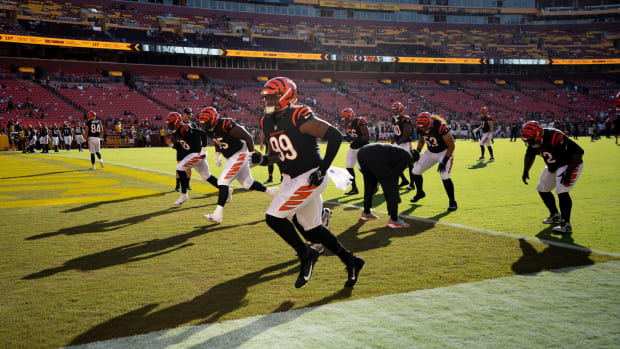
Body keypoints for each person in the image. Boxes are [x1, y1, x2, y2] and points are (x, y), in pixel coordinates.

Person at [254, 77, 365, 289]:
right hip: (289, 179)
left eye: (273, 96)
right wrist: (261, 160)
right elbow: (276, 154)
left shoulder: (298, 115)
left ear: (287, 96)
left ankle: (306, 254)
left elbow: (334, 136)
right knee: (312, 229)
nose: (267, 100)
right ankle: (352, 261)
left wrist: (323, 169)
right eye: (266, 97)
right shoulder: (266, 121)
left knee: (273, 217)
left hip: (310, 176)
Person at [199, 106, 278, 224]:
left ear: (214, 119)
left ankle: (217, 215)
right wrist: (217, 154)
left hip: (239, 153)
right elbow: (217, 140)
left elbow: (248, 137)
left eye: (206, 123)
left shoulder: (226, 124)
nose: (204, 125)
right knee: (247, 184)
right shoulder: (210, 129)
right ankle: (271, 192)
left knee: (222, 182)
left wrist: (251, 153)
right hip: (231, 157)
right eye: (203, 123)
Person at [521, 121, 584, 234]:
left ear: (538, 135)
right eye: (527, 140)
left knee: (562, 191)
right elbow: (530, 155)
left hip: (570, 163)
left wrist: (569, 171)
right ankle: (555, 215)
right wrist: (526, 170)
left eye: (530, 139)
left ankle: (566, 224)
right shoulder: (534, 141)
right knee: (542, 188)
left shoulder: (554, 136)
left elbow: (578, 152)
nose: (529, 142)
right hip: (553, 165)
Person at [165, 112, 222, 205]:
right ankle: (225, 189)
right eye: (168, 124)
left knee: (179, 167)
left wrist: (203, 148)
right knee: (206, 176)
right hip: (193, 155)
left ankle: (184, 195)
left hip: (197, 154)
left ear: (176, 122)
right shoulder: (176, 131)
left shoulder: (185, 128)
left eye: (170, 123)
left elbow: (203, 134)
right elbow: (180, 147)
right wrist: (171, 144)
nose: (169, 126)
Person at [357, 143, 417, 228]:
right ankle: (394, 219)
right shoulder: (407, 157)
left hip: (362, 152)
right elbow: (393, 176)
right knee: (390, 186)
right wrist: (396, 195)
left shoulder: (399, 152)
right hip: (375, 155)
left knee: (369, 185)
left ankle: (366, 212)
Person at [410, 112, 457, 211]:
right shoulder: (420, 127)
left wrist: (444, 160)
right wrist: (418, 151)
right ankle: (420, 192)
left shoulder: (440, 127)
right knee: (415, 171)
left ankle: (452, 201)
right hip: (430, 152)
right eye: (421, 127)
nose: (423, 129)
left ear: (430, 122)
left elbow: (451, 146)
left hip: (444, 152)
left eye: (425, 126)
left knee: (444, 174)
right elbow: (422, 140)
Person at [341, 107, 370, 195]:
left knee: (362, 168)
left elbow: (366, 137)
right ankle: (354, 188)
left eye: (346, 118)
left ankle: (374, 182)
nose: (345, 120)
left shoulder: (359, 121)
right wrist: (347, 138)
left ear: (351, 116)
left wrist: (353, 138)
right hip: (353, 147)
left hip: (363, 147)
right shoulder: (347, 125)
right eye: (344, 118)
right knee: (348, 166)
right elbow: (350, 137)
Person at [390, 102, 415, 189]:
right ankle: (404, 180)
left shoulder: (405, 119)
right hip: (398, 143)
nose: (394, 111)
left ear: (400, 110)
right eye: (393, 109)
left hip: (405, 144)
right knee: (394, 163)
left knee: (410, 164)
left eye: (395, 109)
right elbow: (397, 132)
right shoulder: (393, 119)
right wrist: (393, 139)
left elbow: (406, 135)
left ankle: (412, 184)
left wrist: (397, 143)